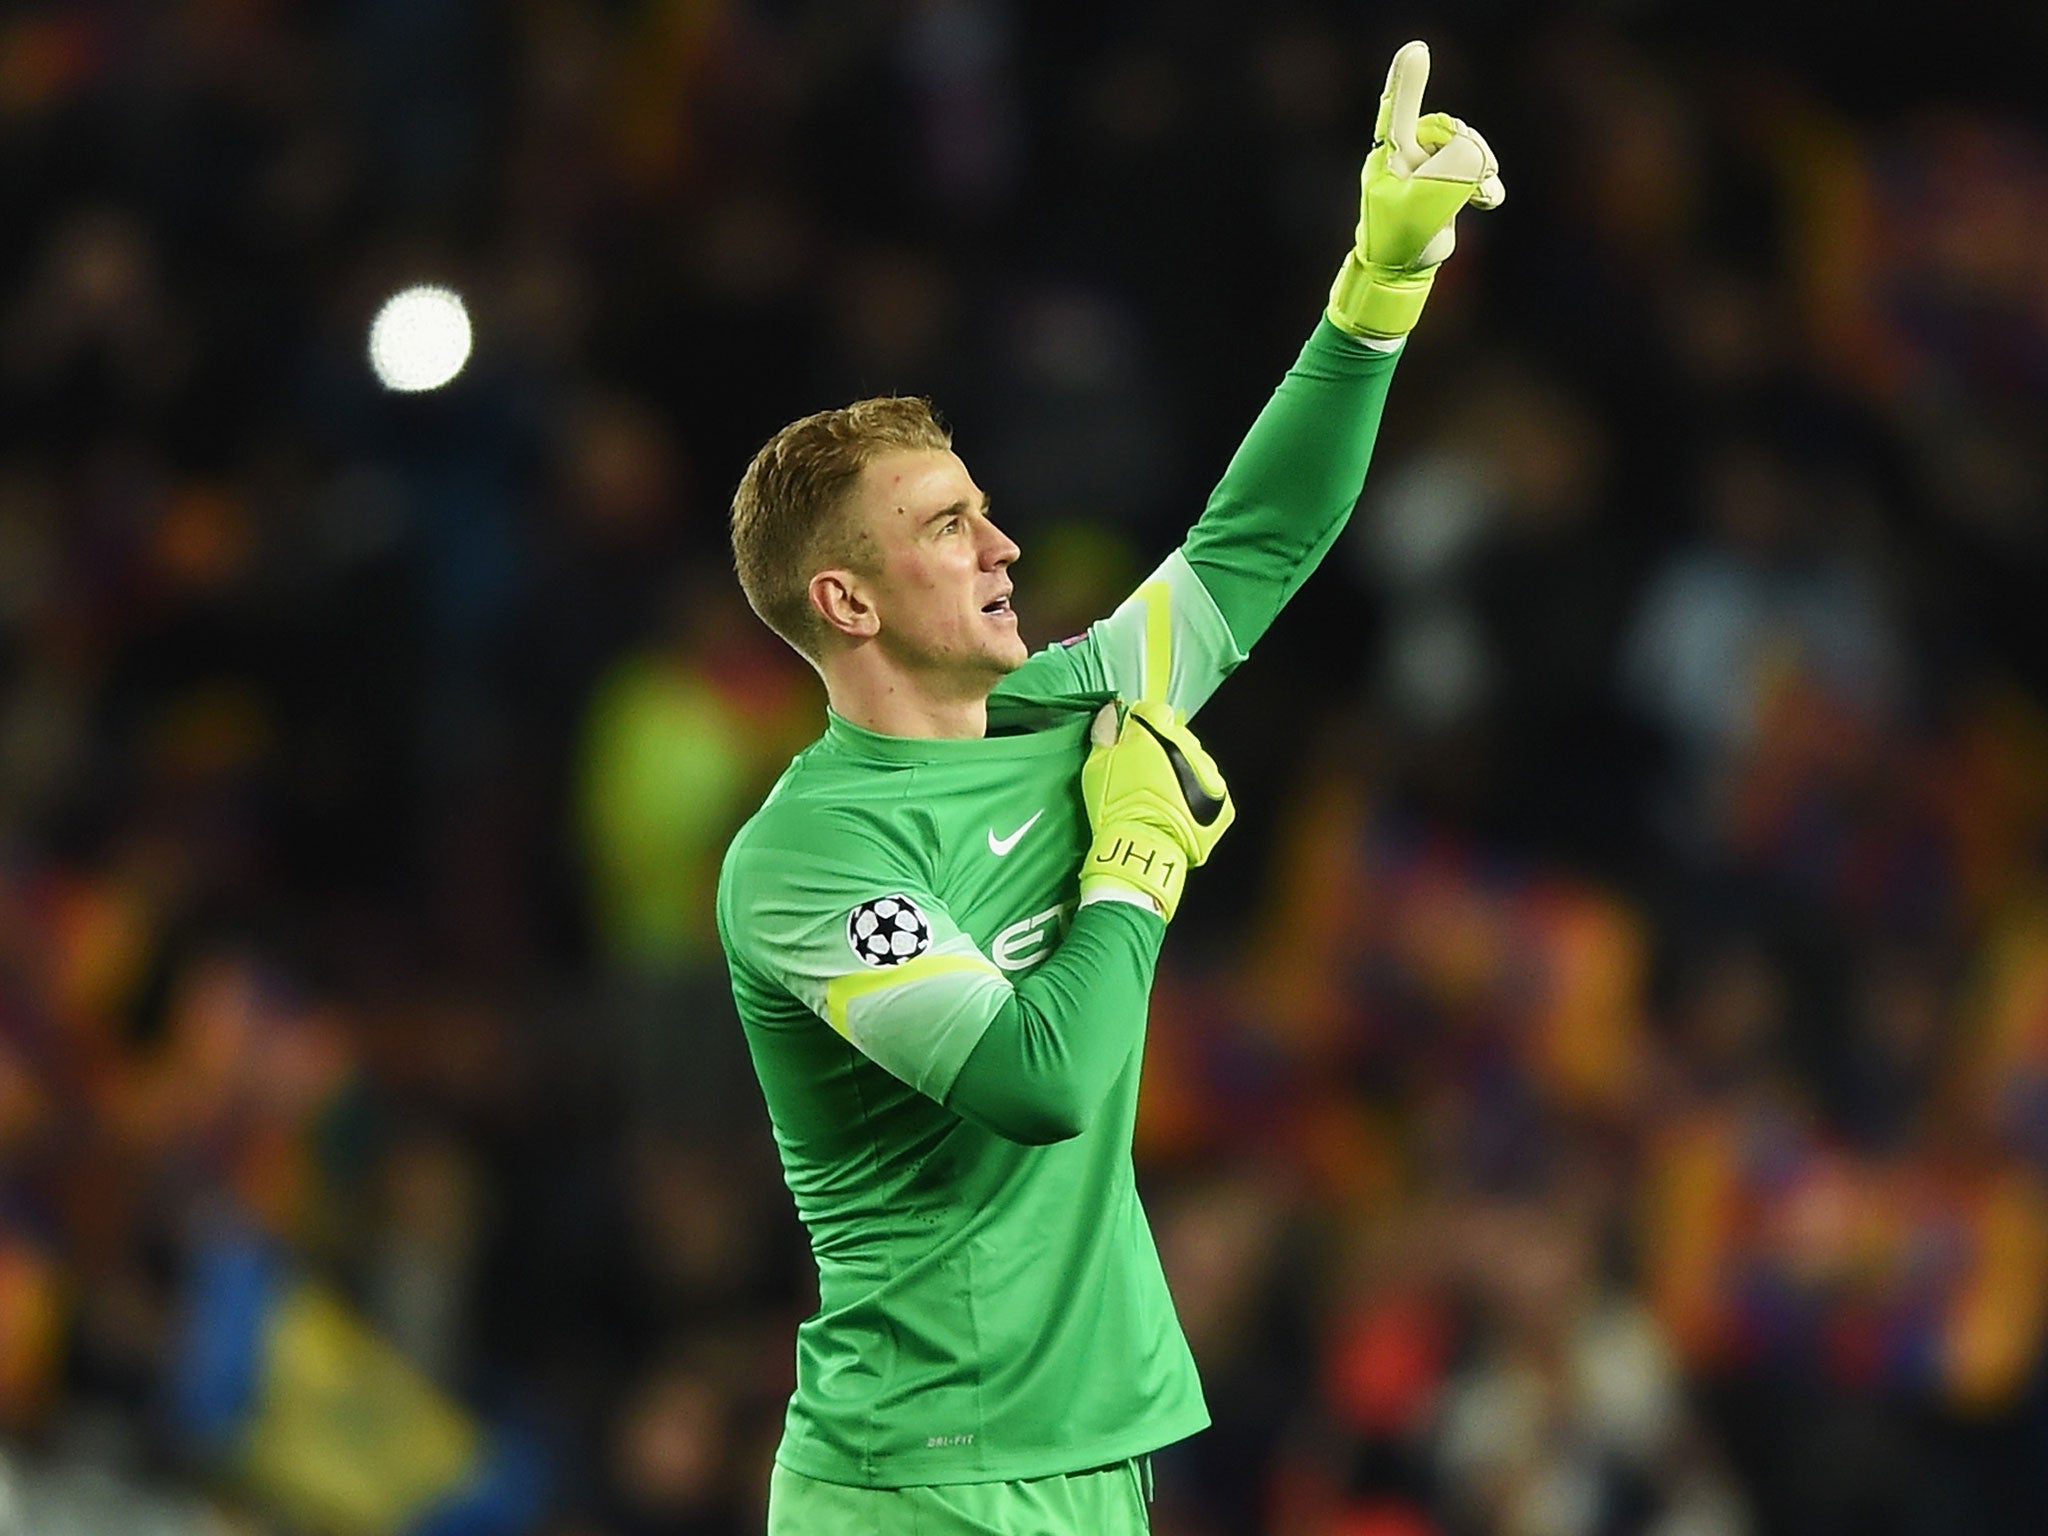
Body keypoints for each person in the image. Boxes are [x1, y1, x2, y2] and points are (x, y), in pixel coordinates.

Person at [715, 40, 1504, 1535]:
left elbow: (1252, 544)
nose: (1007, 549)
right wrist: (1133, 869)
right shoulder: (808, 864)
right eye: (951, 528)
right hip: (912, 1487)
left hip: (1091, 1464)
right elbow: (1035, 1082)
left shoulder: (1068, 708)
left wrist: (1377, 289)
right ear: (850, 602)